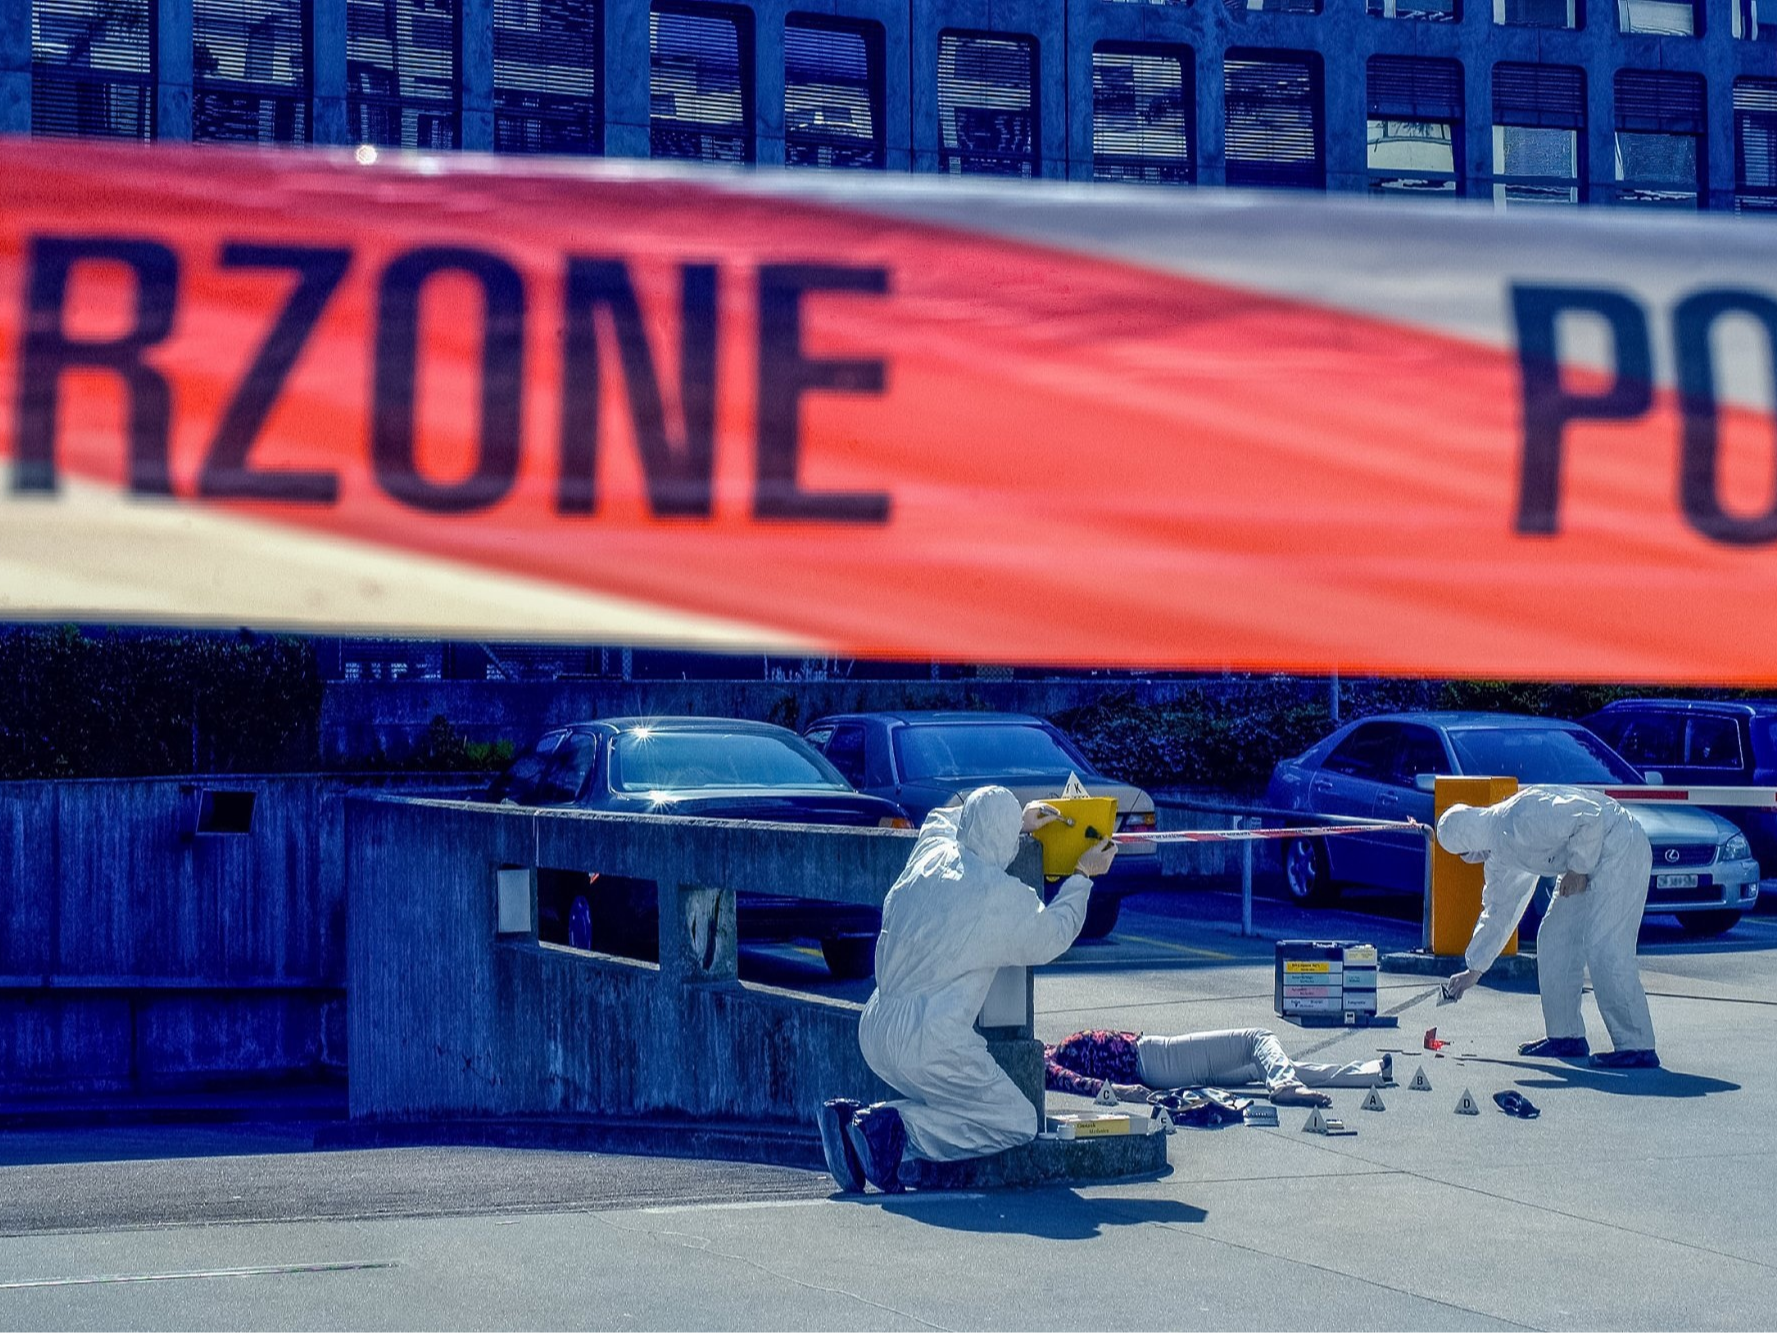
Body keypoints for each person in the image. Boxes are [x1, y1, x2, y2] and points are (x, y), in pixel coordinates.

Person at [816, 786, 1116, 1194]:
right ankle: (889, 1130)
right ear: (1006, 840)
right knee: (1014, 1121)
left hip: (875, 1024)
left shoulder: (933, 852)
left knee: (952, 1104)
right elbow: (1054, 934)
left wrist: (1018, 819)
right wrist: (1083, 875)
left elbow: (942, 817)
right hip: (931, 1039)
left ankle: (853, 1123)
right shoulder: (998, 895)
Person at [1437, 785, 1658, 1069]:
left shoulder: (1520, 815)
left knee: (1606, 946)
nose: (1469, 859)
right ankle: (1565, 1035)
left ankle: (1636, 1044)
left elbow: (1589, 816)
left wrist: (1578, 868)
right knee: (1555, 940)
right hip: (1588, 859)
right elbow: (1499, 912)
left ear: (1468, 843)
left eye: (1463, 854)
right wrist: (1474, 969)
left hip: (1620, 847)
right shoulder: (1501, 851)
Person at [1043, 1028, 1391, 1109]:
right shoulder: (1040, 1063)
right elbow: (1071, 1081)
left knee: (1261, 1064)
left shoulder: (1044, 1051)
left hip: (1154, 1063)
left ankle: (1368, 1072)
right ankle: (1285, 1086)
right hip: (1153, 1058)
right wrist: (1120, 1091)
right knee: (1257, 1039)